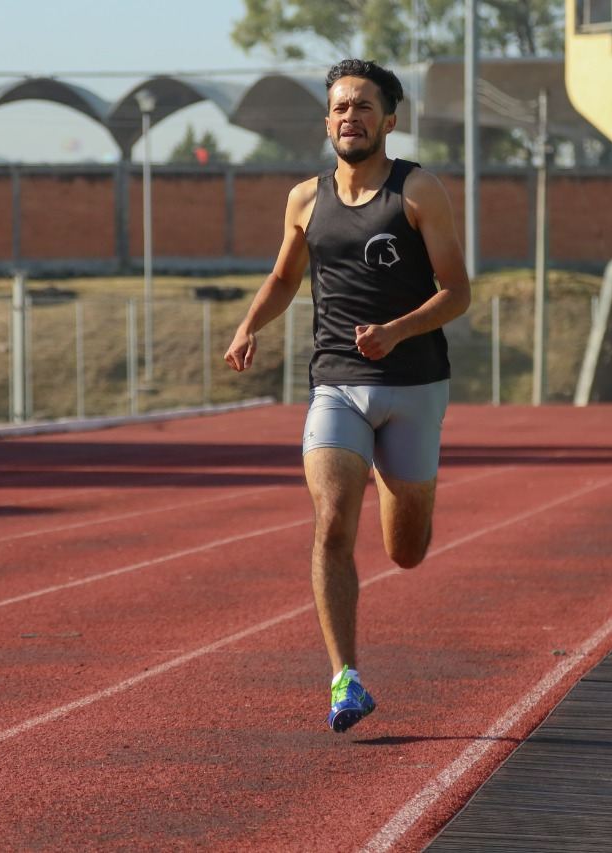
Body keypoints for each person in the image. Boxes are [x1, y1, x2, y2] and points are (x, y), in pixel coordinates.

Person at [223, 59, 471, 733]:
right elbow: (282, 275)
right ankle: (345, 677)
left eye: (362, 106)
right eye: (338, 107)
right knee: (334, 517)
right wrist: (248, 326)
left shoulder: (418, 190)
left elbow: (458, 290)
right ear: (327, 119)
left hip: (415, 383)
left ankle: (406, 486)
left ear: (389, 120)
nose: (348, 117)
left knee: (405, 551)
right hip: (337, 380)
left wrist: (395, 331)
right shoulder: (305, 199)